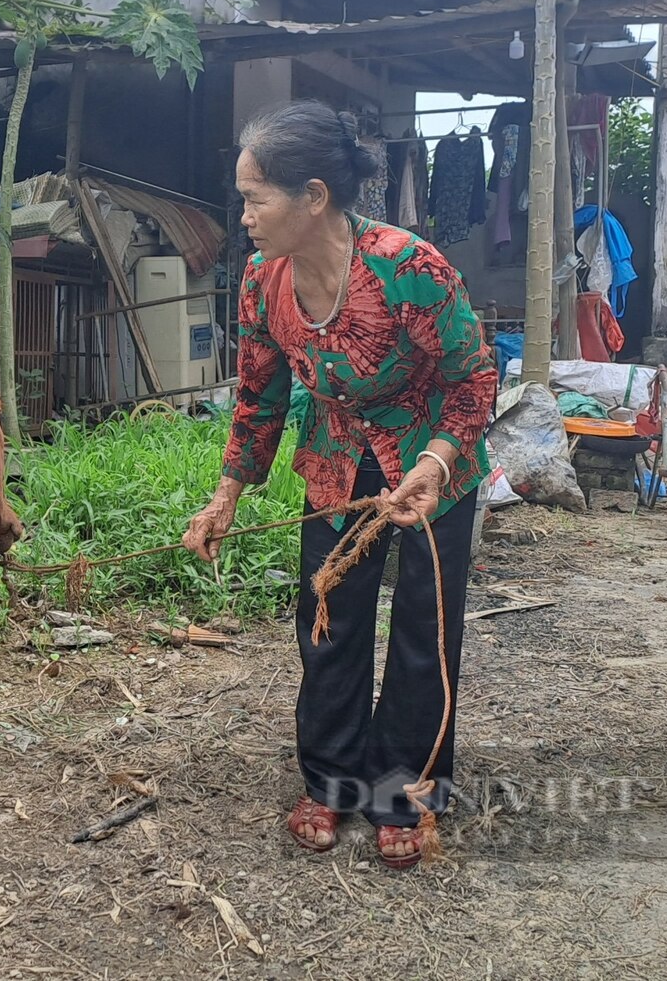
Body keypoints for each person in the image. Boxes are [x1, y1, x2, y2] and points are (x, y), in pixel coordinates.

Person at [183, 100, 496, 868]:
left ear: (313, 197)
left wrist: (434, 463)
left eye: (256, 198)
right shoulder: (261, 282)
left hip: (431, 469)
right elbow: (257, 396)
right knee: (327, 617)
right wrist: (227, 493)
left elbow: (474, 379)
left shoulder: (409, 269)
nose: (245, 215)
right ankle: (330, 780)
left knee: (424, 632)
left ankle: (403, 791)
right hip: (333, 460)